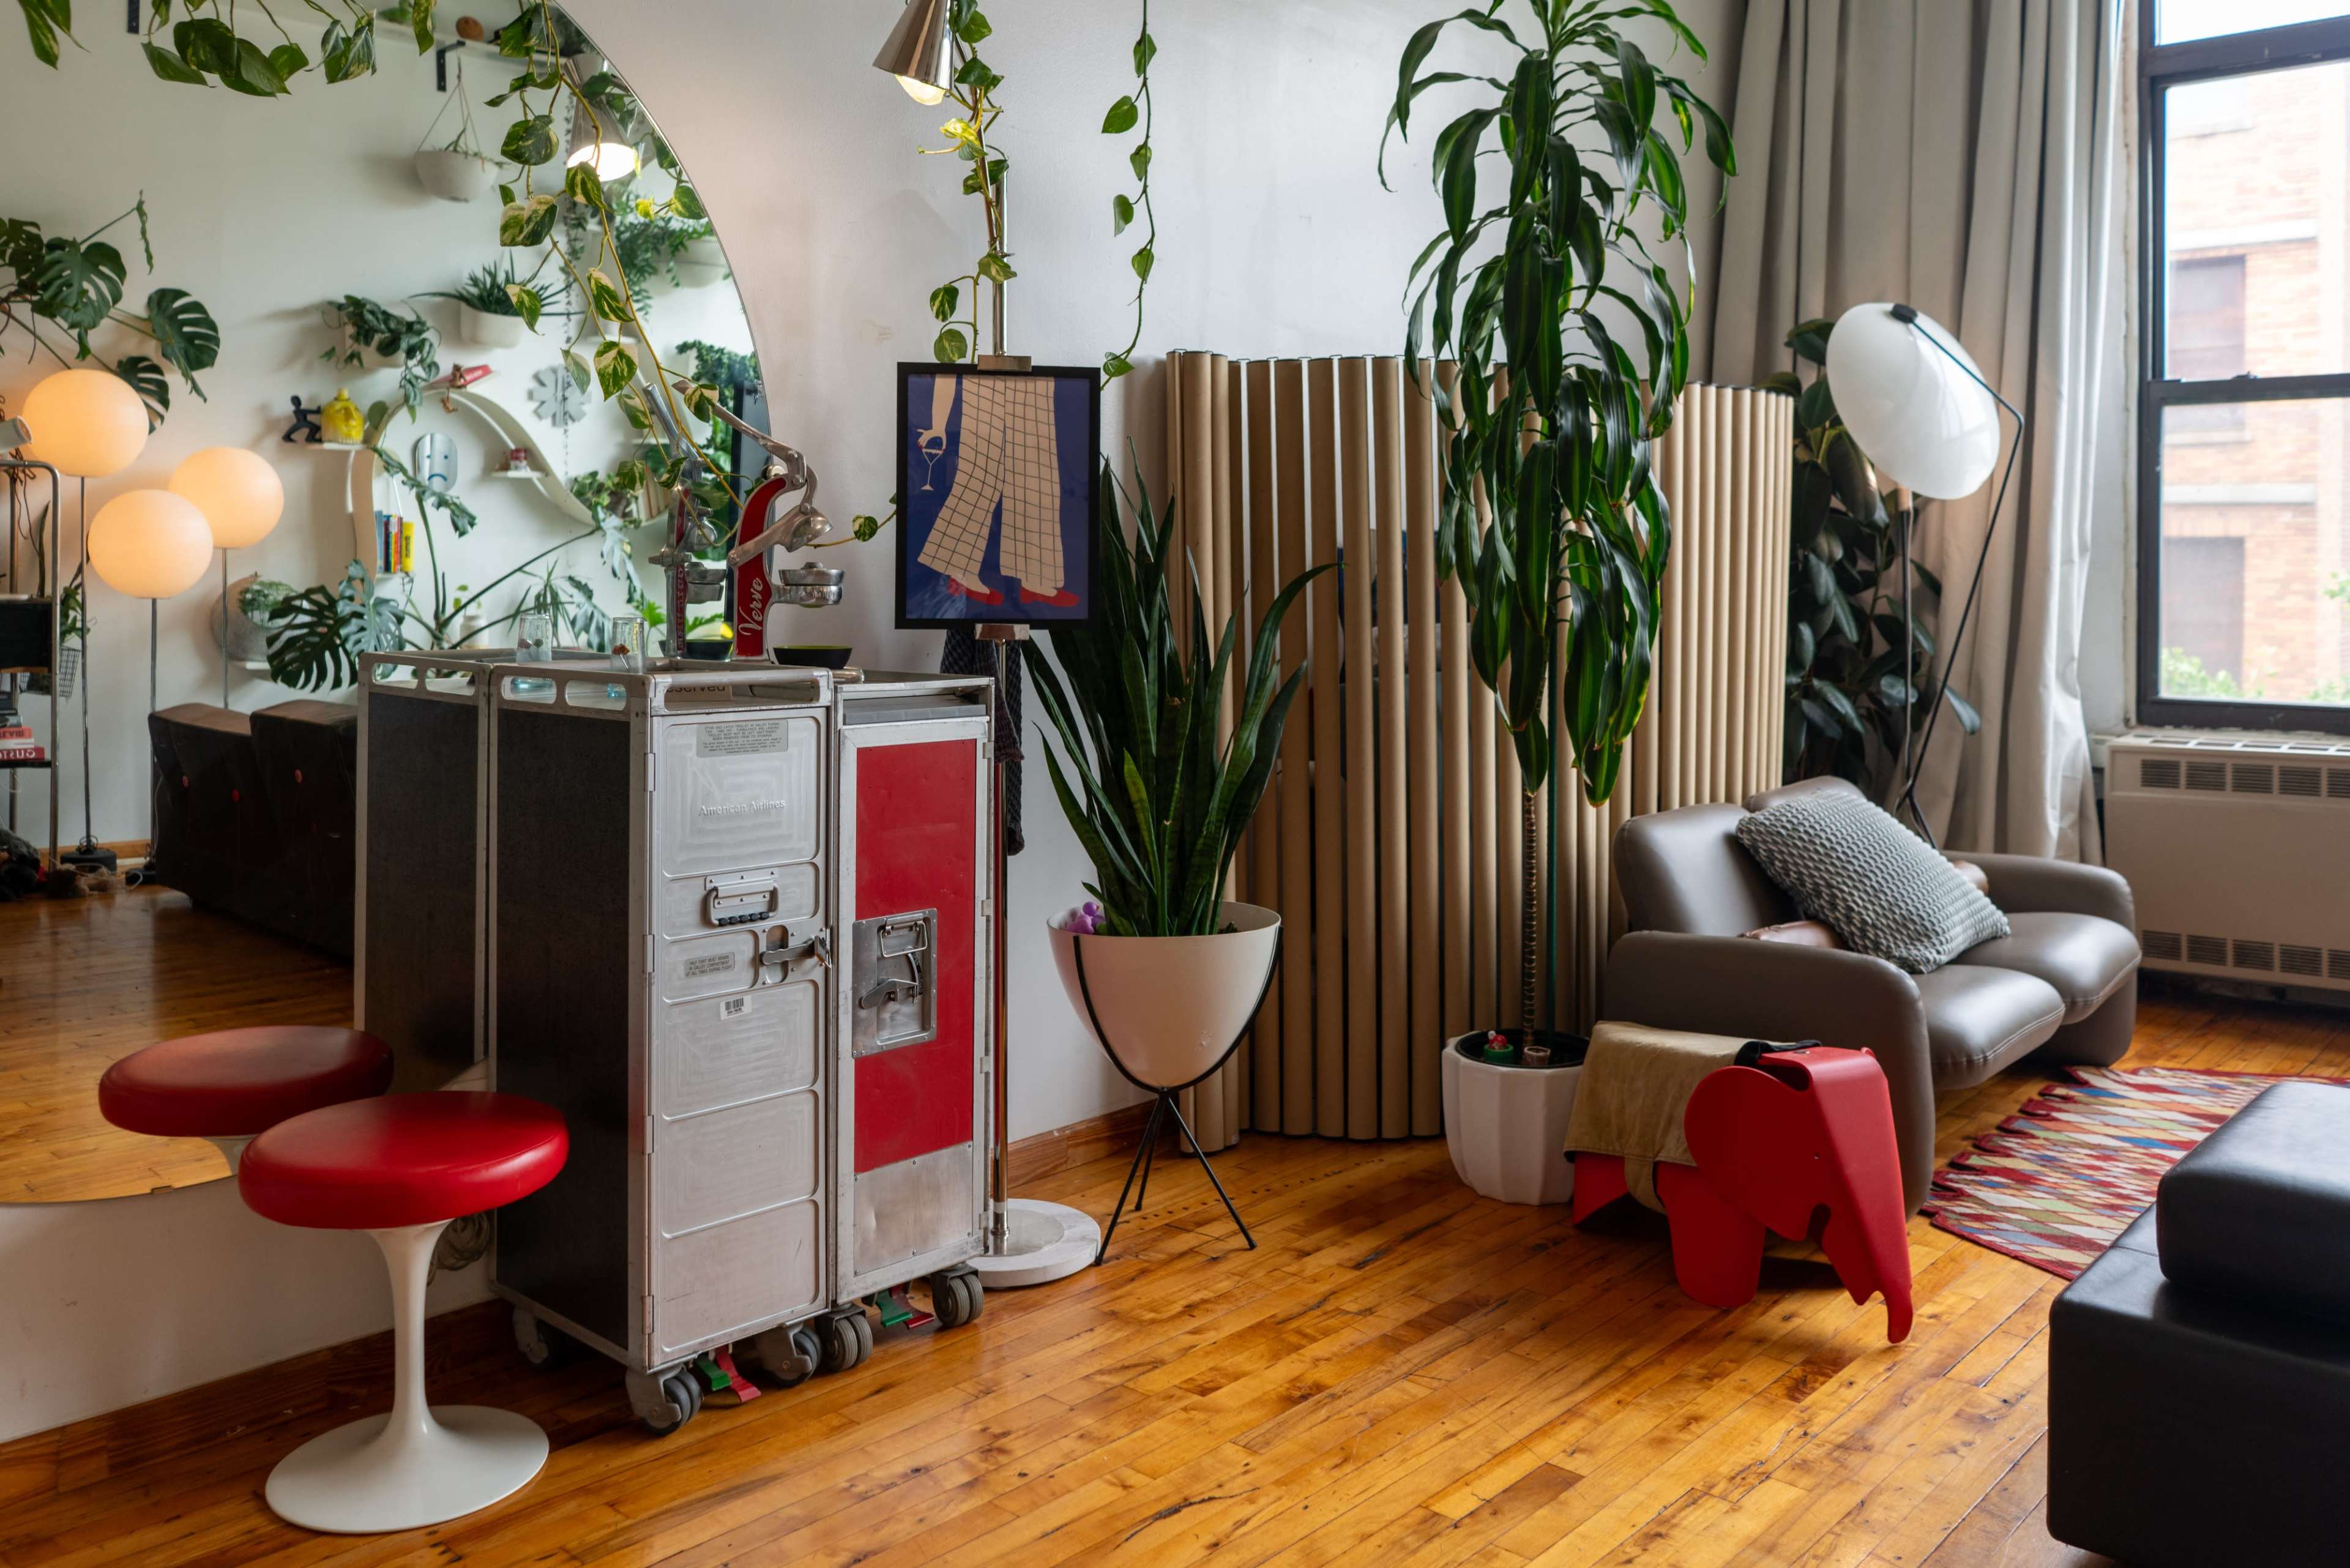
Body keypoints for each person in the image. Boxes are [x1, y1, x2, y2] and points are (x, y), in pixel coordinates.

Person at [914, 372, 1076, 607]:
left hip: (1032, 387)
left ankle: (1036, 578)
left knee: (1037, 476)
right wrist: (939, 426)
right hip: (984, 385)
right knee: (980, 472)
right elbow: (947, 374)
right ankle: (960, 569)